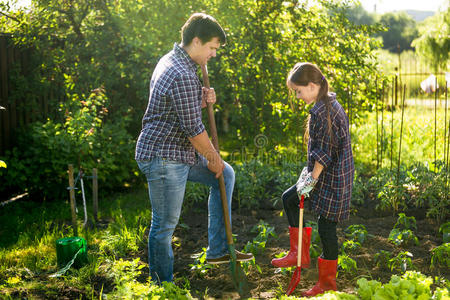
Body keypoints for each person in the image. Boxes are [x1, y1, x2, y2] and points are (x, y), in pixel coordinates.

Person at [135, 13, 253, 284]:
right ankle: (162, 286)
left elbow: (176, 108)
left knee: (226, 175)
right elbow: (194, 131)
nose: (213, 54)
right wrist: (213, 158)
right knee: (164, 227)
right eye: (212, 48)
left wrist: (201, 99)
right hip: (163, 157)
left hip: (176, 152)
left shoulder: (174, 60)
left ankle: (218, 250)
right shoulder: (181, 74)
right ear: (196, 41)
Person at [271, 62, 354, 297]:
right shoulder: (324, 103)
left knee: (326, 227)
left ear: (311, 85)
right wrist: (308, 178)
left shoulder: (324, 111)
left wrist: (310, 182)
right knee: (289, 199)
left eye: (298, 91)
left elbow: (325, 153)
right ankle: (299, 254)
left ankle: (327, 284)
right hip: (325, 175)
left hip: (334, 180)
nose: (297, 96)